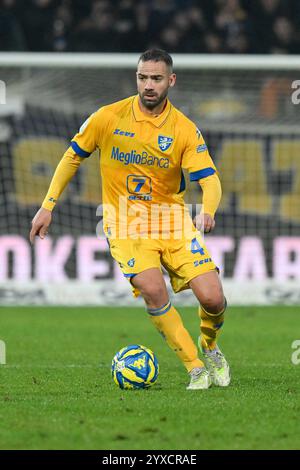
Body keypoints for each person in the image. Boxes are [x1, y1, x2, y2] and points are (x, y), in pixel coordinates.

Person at [30, 48, 230, 390]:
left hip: (173, 222)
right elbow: (71, 157)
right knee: (153, 289)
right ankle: (195, 369)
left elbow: (209, 178)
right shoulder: (108, 117)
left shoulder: (183, 129)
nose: (148, 85)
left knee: (213, 299)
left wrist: (208, 210)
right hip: (125, 224)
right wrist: (48, 205)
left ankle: (209, 347)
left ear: (171, 80)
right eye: (142, 77)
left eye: (155, 78)